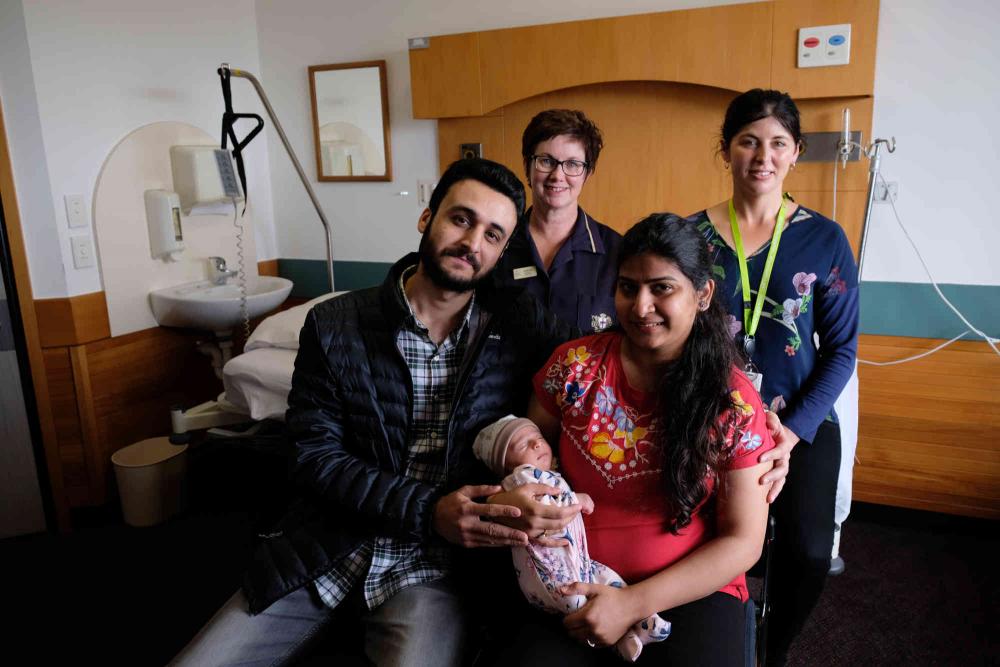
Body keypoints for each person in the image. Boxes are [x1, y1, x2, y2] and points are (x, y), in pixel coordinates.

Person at [168, 157, 579, 666]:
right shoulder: (336, 324)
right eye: (461, 219)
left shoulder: (519, 326)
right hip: (328, 544)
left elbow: (590, 366)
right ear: (426, 218)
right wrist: (429, 508)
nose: (473, 243)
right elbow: (313, 455)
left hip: (435, 568)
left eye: (494, 235)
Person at [486, 214, 780, 666]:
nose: (640, 307)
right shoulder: (574, 367)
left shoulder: (732, 399)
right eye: (628, 287)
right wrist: (527, 498)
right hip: (569, 579)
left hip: (691, 589)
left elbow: (744, 541)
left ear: (702, 295)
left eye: (662, 288)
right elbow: (531, 460)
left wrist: (631, 602)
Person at [688, 88, 860, 665]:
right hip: (712, 419)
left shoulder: (824, 238)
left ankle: (772, 650)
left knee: (810, 553)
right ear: (726, 150)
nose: (762, 156)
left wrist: (792, 431)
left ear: (795, 154)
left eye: (778, 144)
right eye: (748, 142)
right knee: (701, 542)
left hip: (799, 419)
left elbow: (841, 348)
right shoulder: (693, 239)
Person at [473, 414, 672, 662]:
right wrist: (577, 499)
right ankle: (622, 638)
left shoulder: (548, 474)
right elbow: (545, 506)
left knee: (606, 580)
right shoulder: (521, 478)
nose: (536, 444)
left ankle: (638, 627)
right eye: (522, 444)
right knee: (583, 605)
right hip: (552, 573)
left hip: (577, 561)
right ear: (504, 465)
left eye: (537, 438)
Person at [494, 108, 622, 334]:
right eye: (546, 161)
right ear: (527, 165)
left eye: (572, 164)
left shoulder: (617, 253)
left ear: (587, 173)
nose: (557, 175)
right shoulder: (496, 244)